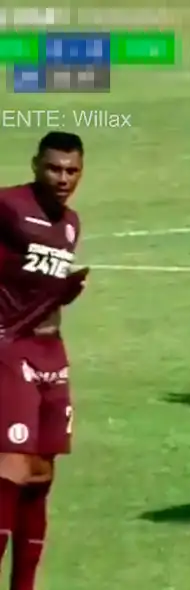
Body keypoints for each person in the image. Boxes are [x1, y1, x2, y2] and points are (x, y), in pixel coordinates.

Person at [0, 132, 90, 590]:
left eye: (71, 170)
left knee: (40, 473)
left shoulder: (71, 223)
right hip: (9, 348)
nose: (62, 178)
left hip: (51, 351)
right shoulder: (8, 205)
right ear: (36, 165)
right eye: (54, 168)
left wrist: (63, 292)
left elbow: (35, 284)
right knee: (11, 467)